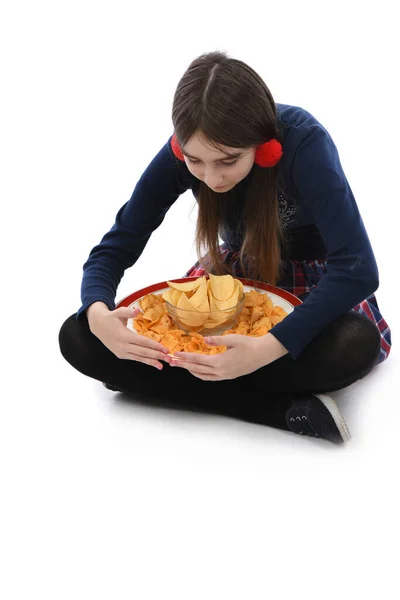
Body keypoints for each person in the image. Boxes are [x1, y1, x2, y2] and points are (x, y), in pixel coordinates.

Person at [59, 50, 392, 445]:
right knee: (76, 336)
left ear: (262, 147)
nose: (211, 177)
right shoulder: (181, 154)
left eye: (228, 161)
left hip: (311, 287)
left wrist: (267, 347)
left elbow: (357, 270)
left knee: (356, 343)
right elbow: (114, 248)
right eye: (196, 161)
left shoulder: (305, 143)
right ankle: (270, 409)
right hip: (229, 284)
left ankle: (161, 385)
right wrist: (98, 314)